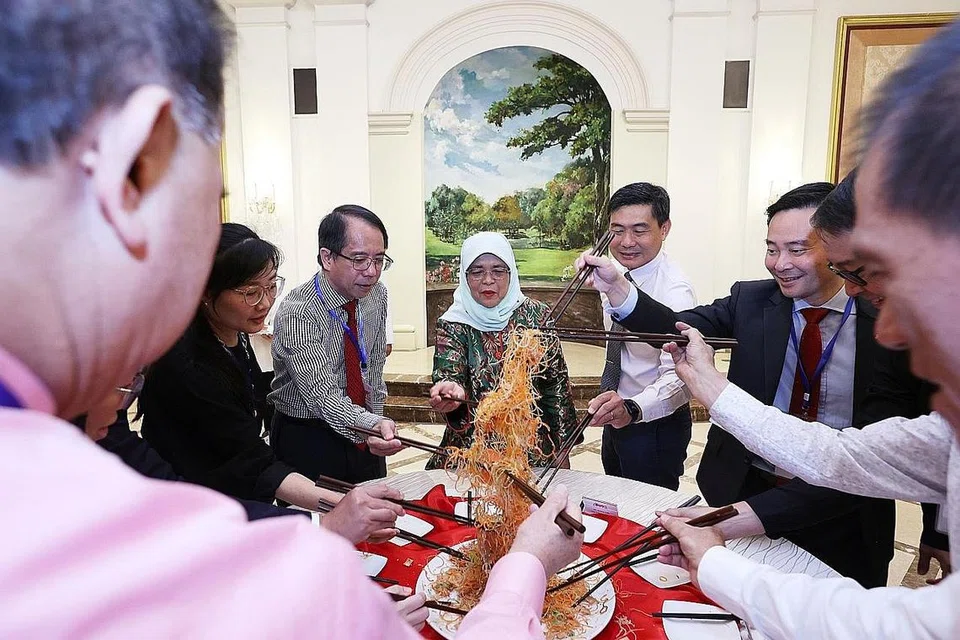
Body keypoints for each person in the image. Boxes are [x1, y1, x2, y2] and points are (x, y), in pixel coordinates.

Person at [0, 1, 583, 636]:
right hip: (312, 441)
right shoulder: (86, 488)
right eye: (209, 203)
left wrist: (357, 460)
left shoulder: (71, 438)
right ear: (135, 162)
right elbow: (298, 408)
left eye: (379, 260)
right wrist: (525, 566)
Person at [653, 21, 960, 638]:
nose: (889, 329)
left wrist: (716, 563)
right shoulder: (754, 301)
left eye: (878, 278)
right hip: (754, 493)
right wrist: (708, 388)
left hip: (845, 531)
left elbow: (906, 625)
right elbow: (837, 455)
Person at [578, 183, 896, 587]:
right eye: (771, 249)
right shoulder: (751, 300)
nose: (780, 264)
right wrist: (618, 288)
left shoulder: (887, 318)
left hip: (845, 511)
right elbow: (675, 327)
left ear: (839, 246)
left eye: (797, 249)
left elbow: (913, 437)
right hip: (748, 490)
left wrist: (937, 532)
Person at [139, 223, 400, 543]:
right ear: (205, 291)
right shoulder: (187, 365)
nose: (265, 303)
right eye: (251, 292)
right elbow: (254, 461)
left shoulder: (231, 332)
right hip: (198, 516)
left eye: (271, 285)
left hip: (237, 493)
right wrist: (340, 509)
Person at [270, 205, 402, 484]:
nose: (372, 272)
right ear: (327, 257)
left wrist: (376, 425)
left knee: (374, 505)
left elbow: (373, 369)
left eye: (379, 260)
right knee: (321, 511)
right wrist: (372, 425)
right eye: (359, 259)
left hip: (364, 425)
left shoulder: (376, 295)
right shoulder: (299, 312)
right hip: (309, 434)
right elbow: (323, 397)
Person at [427, 232, 578, 469]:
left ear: (511, 273)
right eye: (477, 272)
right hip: (473, 450)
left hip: (531, 447)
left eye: (498, 271)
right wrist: (453, 392)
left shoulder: (536, 316)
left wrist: (562, 447)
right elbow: (449, 372)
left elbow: (555, 384)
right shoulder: (453, 322)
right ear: (464, 276)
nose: (488, 280)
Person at [586, 183, 696, 490]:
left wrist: (633, 409)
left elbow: (680, 378)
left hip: (655, 422)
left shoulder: (675, 291)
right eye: (617, 230)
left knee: (649, 511)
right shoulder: (614, 275)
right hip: (617, 410)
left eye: (639, 230)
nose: (626, 242)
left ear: (664, 228)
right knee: (617, 500)